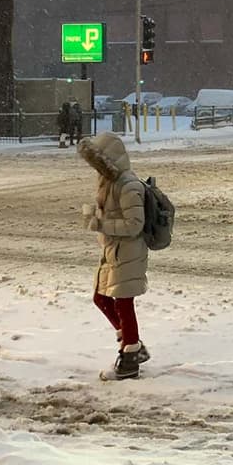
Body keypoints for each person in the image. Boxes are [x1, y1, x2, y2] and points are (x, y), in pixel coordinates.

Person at [78, 132, 151, 380]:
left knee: (122, 302)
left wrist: (101, 225)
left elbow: (134, 225)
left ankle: (130, 357)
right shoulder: (109, 181)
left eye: (99, 162)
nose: (96, 168)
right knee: (101, 298)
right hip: (113, 250)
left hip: (128, 251)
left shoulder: (128, 184)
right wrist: (98, 220)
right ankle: (132, 343)